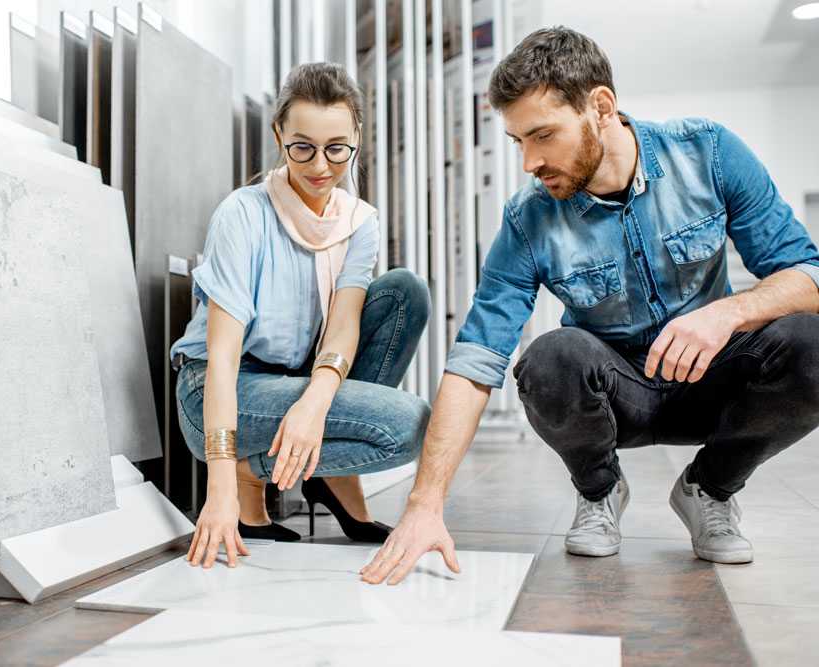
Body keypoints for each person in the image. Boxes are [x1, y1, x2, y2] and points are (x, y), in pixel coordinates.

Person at [360, 26, 819, 584]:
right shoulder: (528, 218)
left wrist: (727, 313)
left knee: (812, 344)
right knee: (550, 357)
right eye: (518, 141)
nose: (529, 161)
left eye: (543, 135)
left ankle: (711, 488)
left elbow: (808, 275)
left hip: (713, 381)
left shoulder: (710, 153)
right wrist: (423, 505)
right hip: (615, 396)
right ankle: (599, 491)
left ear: (600, 106)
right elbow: (475, 359)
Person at [172, 62, 432, 569]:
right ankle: (250, 476)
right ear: (278, 135)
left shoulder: (357, 223)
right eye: (302, 147)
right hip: (218, 390)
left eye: (337, 148)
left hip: (293, 381)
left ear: (357, 135)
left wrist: (316, 404)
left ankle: (327, 473)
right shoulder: (242, 215)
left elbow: (343, 325)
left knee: (405, 293)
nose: (320, 166)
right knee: (407, 425)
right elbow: (223, 359)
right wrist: (220, 483)